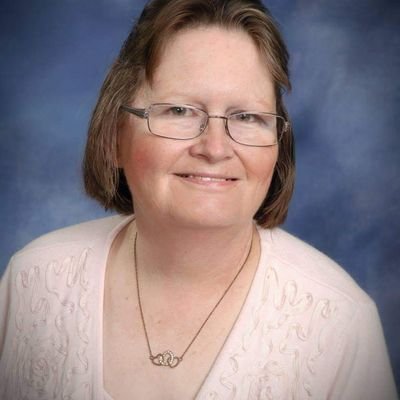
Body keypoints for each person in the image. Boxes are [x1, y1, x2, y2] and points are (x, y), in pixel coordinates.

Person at [0, 0, 397, 399]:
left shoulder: (339, 323)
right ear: (116, 134)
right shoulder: (34, 281)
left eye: (247, 117)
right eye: (179, 110)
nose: (215, 148)